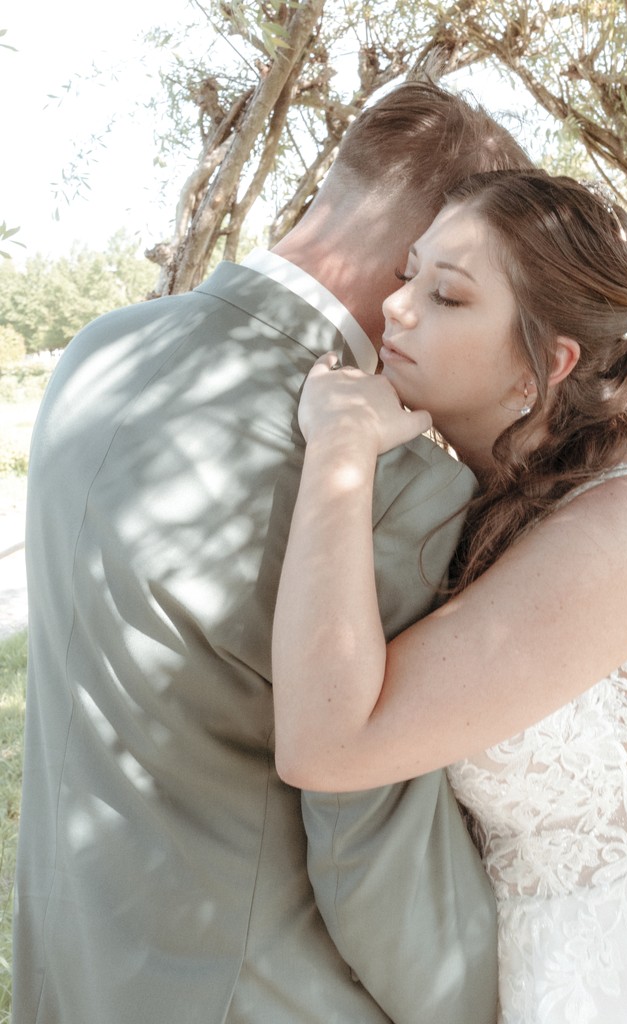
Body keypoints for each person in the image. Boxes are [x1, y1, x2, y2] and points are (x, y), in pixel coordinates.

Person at [12, 83, 533, 1024]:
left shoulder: (101, 348)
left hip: (72, 971)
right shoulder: (390, 481)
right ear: (431, 248)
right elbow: (374, 852)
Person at [272, 169, 627, 1023]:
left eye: (447, 296)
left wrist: (339, 453)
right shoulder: (502, 495)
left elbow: (327, 744)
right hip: (542, 960)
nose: (395, 308)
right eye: (407, 274)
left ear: (550, 362)